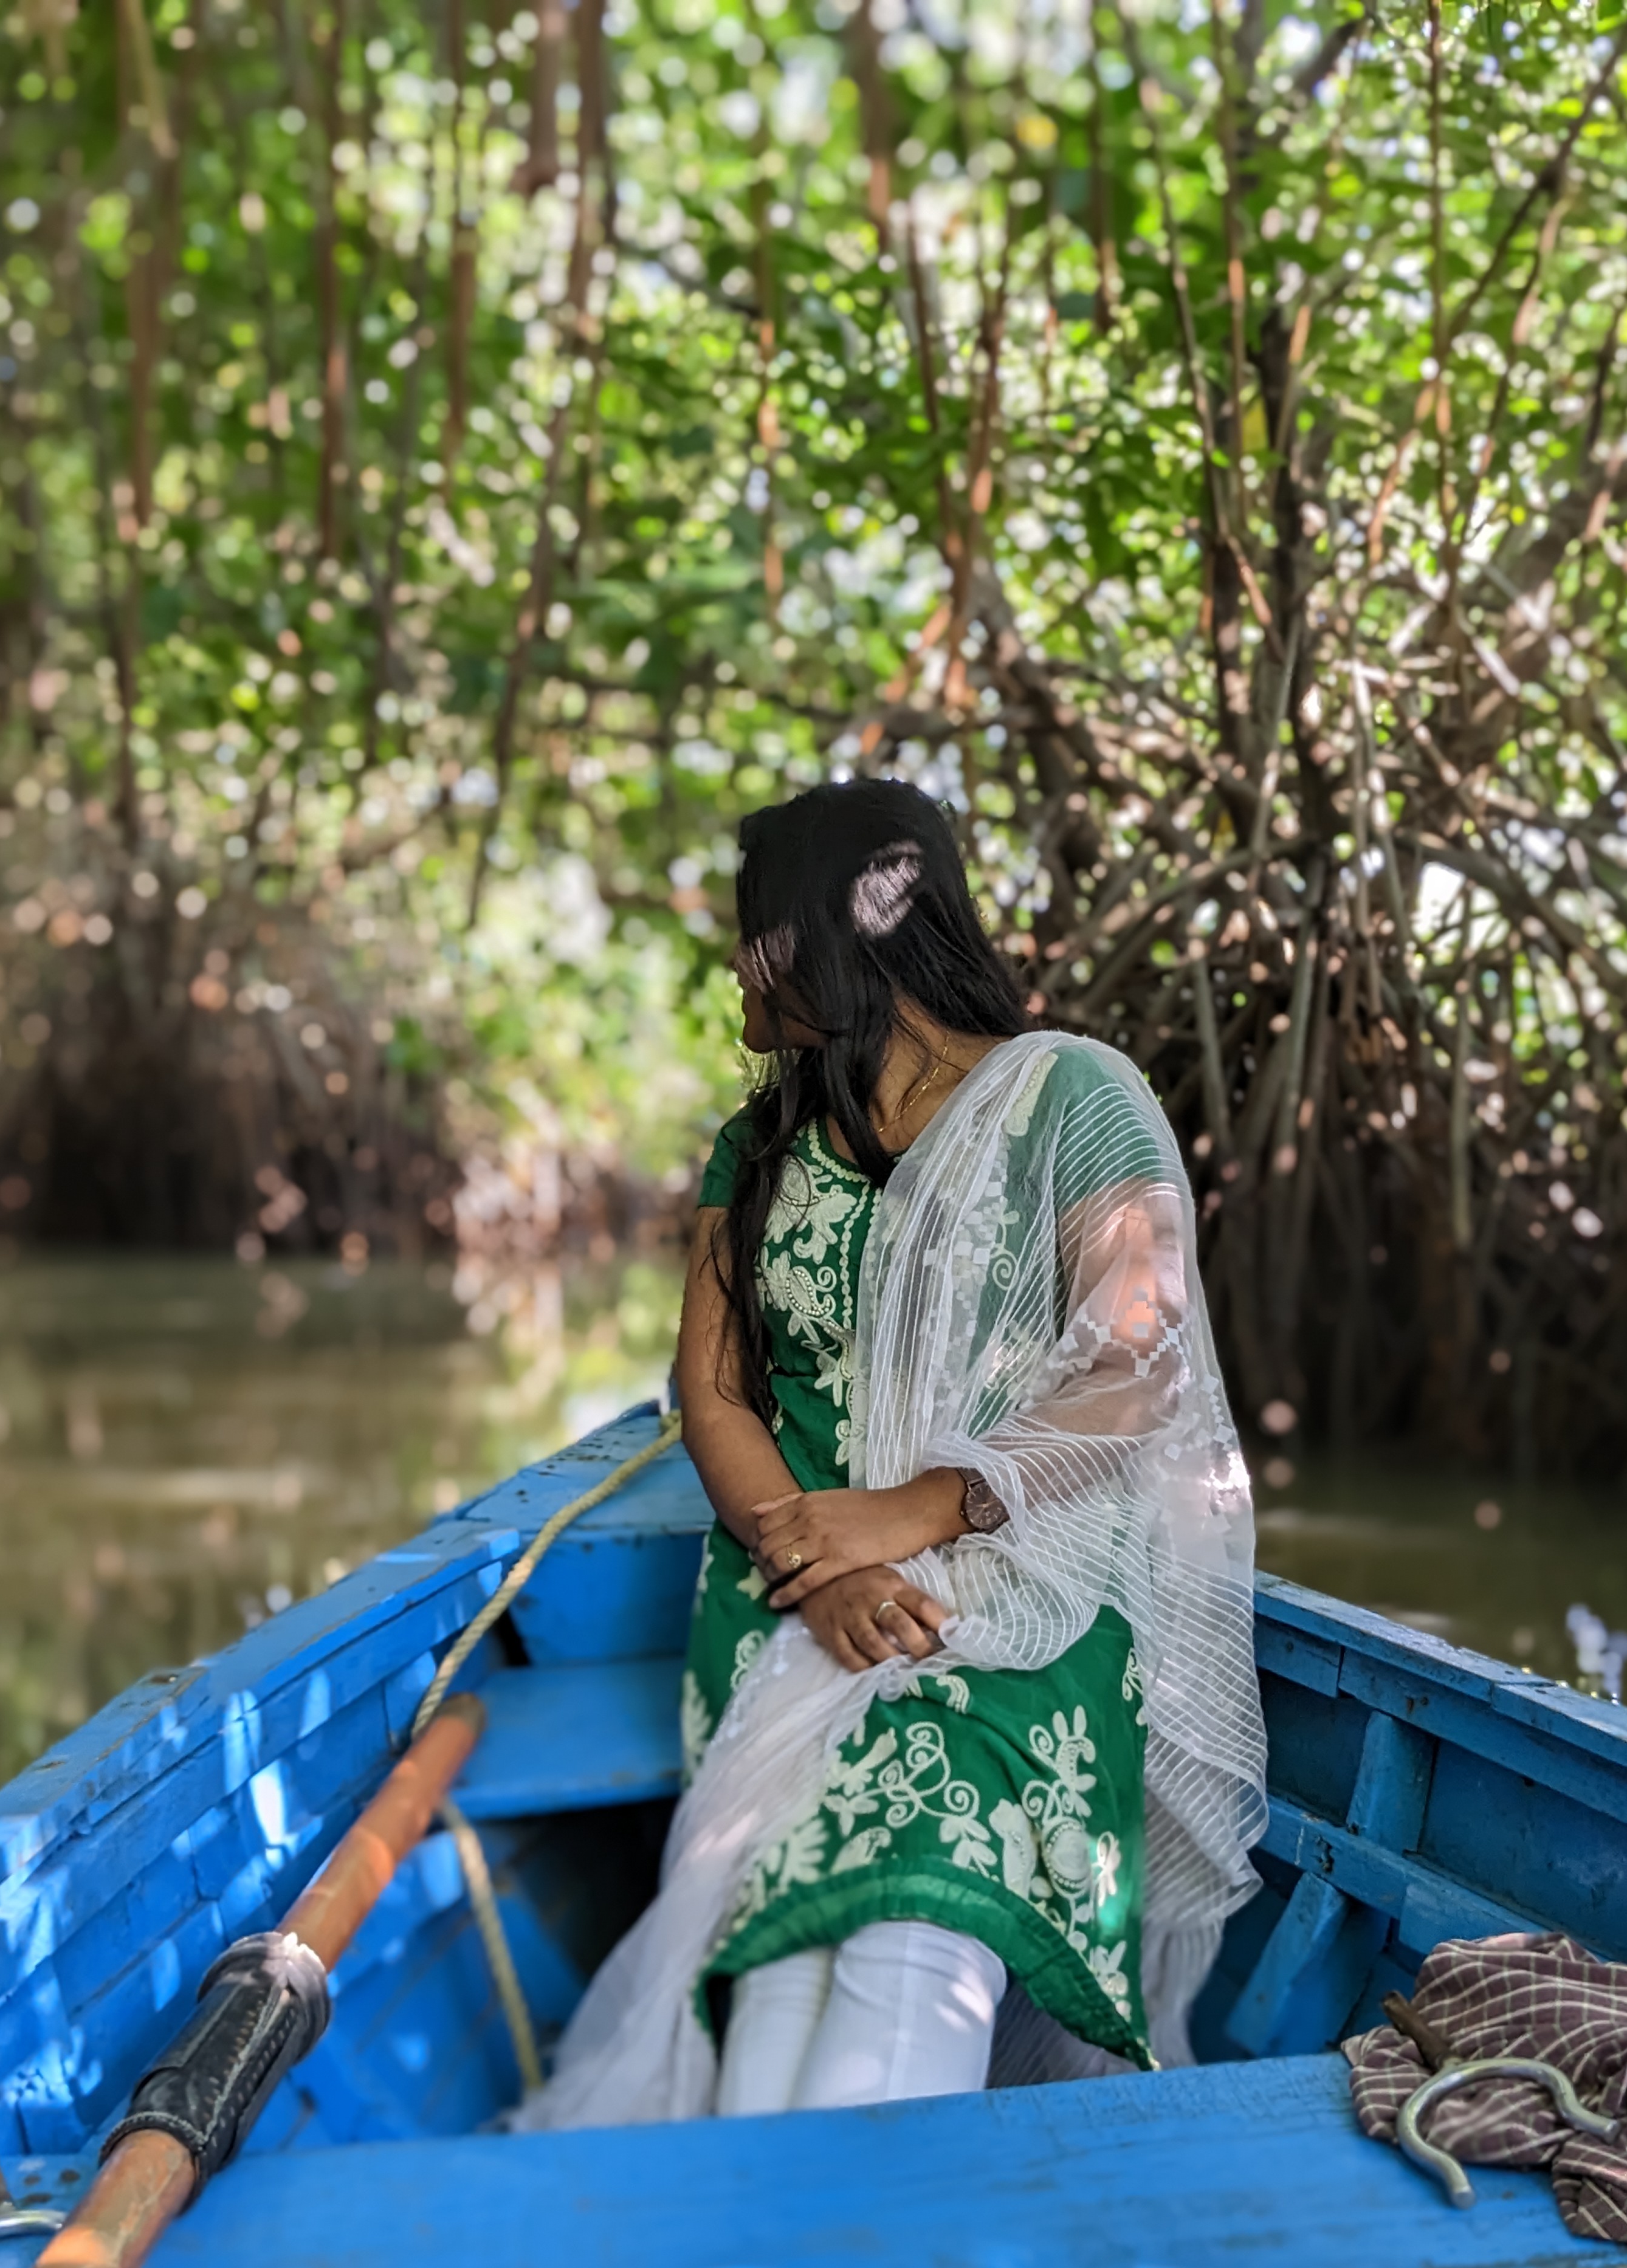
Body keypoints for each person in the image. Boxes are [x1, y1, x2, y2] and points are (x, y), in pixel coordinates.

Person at [512, 778, 1263, 2131]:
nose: (733, 965)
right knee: (790, 1949)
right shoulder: (763, 1143)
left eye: (753, 932)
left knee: (916, 1925)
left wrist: (918, 1513)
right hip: (787, 1582)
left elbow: (1134, 1364)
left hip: (1019, 1596)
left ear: (828, 936)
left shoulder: (1074, 1099)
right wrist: (818, 1558)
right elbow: (716, 1392)